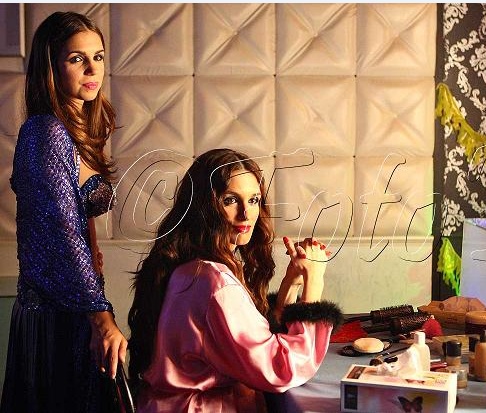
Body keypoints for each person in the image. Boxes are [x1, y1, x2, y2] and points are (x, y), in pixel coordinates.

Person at [128, 148, 342, 412]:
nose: (246, 214)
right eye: (230, 200)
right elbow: (280, 369)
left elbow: (254, 341)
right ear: (204, 206)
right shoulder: (213, 281)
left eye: (253, 200)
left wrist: (293, 282)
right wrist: (315, 280)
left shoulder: (189, 268)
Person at [1, 11, 127, 413]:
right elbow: (61, 231)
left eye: (99, 56)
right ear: (51, 66)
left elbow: (80, 215)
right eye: (77, 59)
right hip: (56, 314)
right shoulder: (46, 132)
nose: (93, 69)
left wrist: (94, 262)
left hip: (81, 301)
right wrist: (100, 316)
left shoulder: (79, 130)